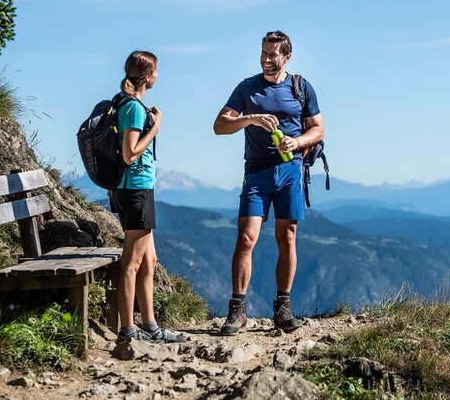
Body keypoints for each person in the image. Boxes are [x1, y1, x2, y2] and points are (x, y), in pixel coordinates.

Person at [213, 31, 325, 335]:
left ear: (287, 57)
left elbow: (318, 129)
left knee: (287, 237)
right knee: (246, 237)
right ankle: (237, 311)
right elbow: (219, 126)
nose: (266, 58)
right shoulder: (247, 87)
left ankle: (283, 309)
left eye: (273, 54)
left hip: (290, 170)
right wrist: (249, 119)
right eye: (263, 52)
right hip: (257, 172)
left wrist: (297, 141)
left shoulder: (301, 87)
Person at [111, 50, 187, 344]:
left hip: (137, 188)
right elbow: (129, 154)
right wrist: (154, 128)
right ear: (146, 76)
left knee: (149, 260)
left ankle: (151, 326)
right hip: (135, 189)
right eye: (156, 70)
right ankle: (128, 331)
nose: (158, 75)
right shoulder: (133, 108)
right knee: (132, 262)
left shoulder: (132, 104)